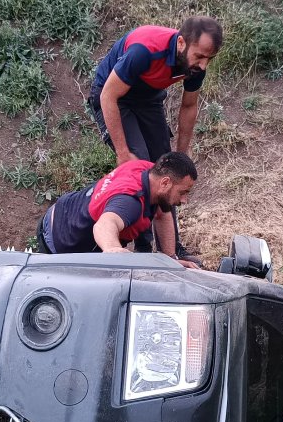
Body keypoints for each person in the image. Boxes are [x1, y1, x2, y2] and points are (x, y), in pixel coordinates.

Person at [89, 17, 222, 260]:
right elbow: (108, 96)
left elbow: (189, 106)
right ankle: (143, 249)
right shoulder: (145, 50)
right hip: (114, 96)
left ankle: (172, 252)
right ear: (181, 43)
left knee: (168, 171)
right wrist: (122, 152)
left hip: (147, 98)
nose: (203, 66)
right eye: (200, 56)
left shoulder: (195, 65)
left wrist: (181, 155)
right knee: (139, 164)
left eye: (209, 59)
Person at [36, 152, 201, 269]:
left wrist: (171, 260)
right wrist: (112, 250)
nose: (184, 200)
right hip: (59, 239)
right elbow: (105, 225)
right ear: (165, 183)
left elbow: (163, 211)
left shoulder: (149, 172)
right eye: (183, 192)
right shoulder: (130, 202)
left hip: (68, 210)